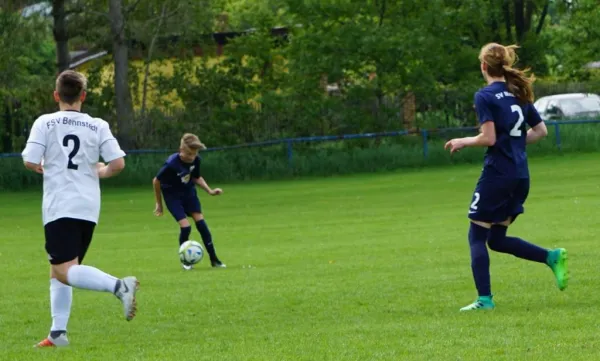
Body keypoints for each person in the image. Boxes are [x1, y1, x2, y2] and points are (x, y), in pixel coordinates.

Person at [444, 43, 568, 311]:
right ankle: (551, 257)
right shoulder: (518, 93)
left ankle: (484, 300)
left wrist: (463, 140)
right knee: (496, 240)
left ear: (484, 66)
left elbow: (488, 137)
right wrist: (513, 145)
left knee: (476, 237)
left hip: (497, 174)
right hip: (520, 175)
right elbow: (541, 131)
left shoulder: (485, 96)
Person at [21, 70, 139, 347]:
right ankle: (57, 333)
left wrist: (38, 165)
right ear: (83, 96)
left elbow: (30, 159)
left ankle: (119, 286)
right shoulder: (97, 125)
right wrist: (99, 172)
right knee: (59, 269)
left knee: (63, 270)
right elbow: (118, 164)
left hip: (60, 204)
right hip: (88, 207)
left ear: (56, 95)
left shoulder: (45, 122)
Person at [152, 133, 226, 270]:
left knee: (202, 225)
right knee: (186, 227)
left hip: (188, 193)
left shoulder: (196, 160)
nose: (191, 157)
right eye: (188, 154)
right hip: (172, 195)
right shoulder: (171, 164)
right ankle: (186, 262)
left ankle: (214, 260)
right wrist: (159, 204)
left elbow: (196, 177)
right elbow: (156, 181)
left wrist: (209, 191)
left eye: (194, 154)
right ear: (181, 150)